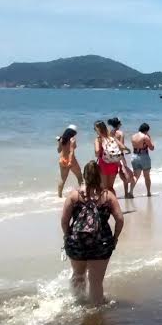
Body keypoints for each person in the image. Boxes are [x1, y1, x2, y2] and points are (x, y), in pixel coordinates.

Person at [61, 160, 124, 305]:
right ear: (100, 175)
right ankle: (95, 310)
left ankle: (78, 303)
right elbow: (120, 220)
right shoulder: (108, 196)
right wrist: (115, 238)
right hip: (101, 243)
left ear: (84, 176)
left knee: (78, 275)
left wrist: (68, 236)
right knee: (96, 281)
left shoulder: (74, 196)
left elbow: (64, 221)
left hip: (77, 243)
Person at [107, 117, 135, 198]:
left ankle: (109, 193)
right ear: (118, 124)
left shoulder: (108, 132)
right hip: (119, 156)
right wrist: (128, 150)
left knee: (111, 175)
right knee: (125, 175)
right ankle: (126, 194)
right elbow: (121, 146)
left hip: (109, 156)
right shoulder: (120, 133)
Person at [94, 120, 123, 193]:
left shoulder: (98, 139)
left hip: (103, 164)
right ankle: (113, 199)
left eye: (95, 129)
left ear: (98, 129)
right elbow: (121, 147)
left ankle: (105, 200)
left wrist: (97, 153)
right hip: (114, 163)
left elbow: (97, 152)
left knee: (104, 188)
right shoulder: (111, 137)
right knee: (111, 187)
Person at [56, 124, 82, 197]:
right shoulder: (72, 139)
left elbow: (59, 150)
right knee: (79, 177)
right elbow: (71, 151)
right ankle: (82, 193)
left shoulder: (61, 139)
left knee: (62, 179)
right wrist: (70, 161)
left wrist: (59, 142)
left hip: (62, 160)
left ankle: (59, 196)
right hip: (71, 160)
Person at [131, 122, 155, 196]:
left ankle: (131, 191)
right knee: (146, 176)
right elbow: (152, 148)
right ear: (146, 130)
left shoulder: (133, 136)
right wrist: (150, 139)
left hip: (134, 156)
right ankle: (148, 192)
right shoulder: (145, 137)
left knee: (136, 176)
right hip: (144, 156)